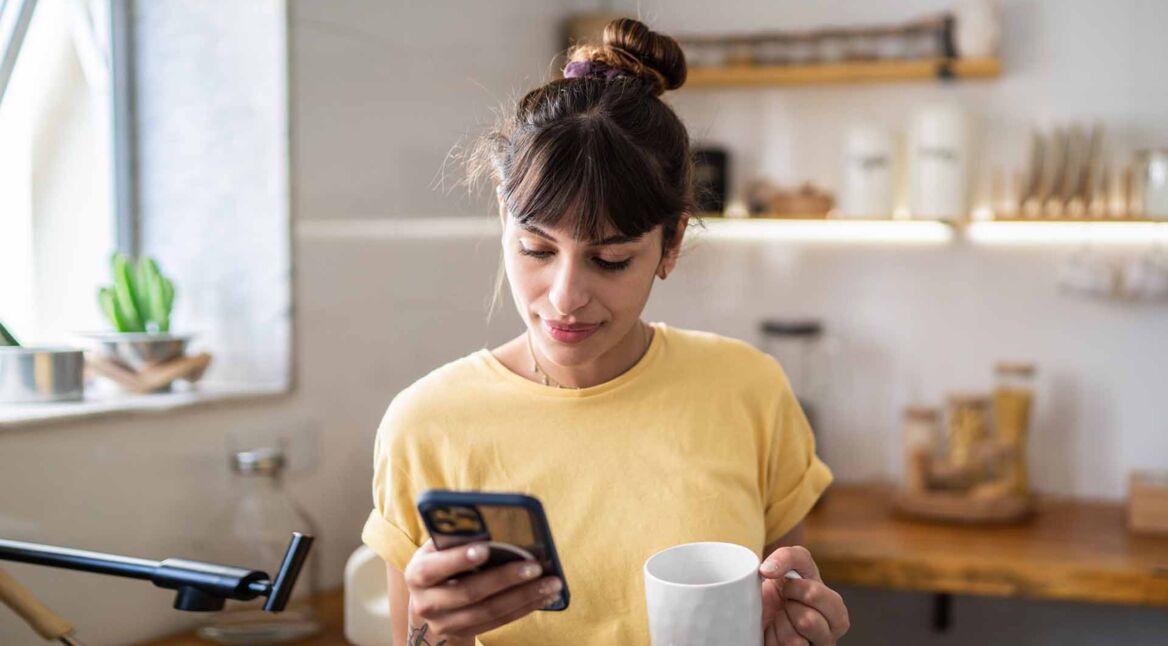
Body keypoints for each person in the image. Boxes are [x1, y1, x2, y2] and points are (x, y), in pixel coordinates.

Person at [361, 18, 849, 646]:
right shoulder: (425, 424)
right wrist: (433, 634)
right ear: (504, 218)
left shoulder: (748, 390)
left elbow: (777, 608)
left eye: (610, 259)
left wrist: (802, 630)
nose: (565, 297)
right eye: (536, 249)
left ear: (671, 243)